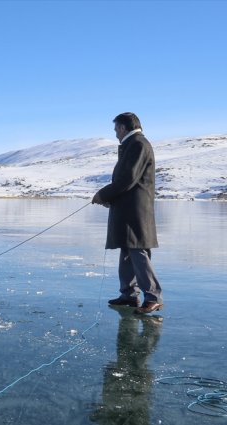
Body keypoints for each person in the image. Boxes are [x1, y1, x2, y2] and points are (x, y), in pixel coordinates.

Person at [92, 112, 163, 314]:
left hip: (135, 211)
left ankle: (153, 296)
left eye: (116, 129)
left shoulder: (138, 144)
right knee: (127, 250)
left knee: (138, 250)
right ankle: (129, 295)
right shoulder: (133, 145)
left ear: (123, 127)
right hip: (128, 208)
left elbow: (127, 179)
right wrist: (110, 199)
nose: (115, 134)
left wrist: (102, 195)